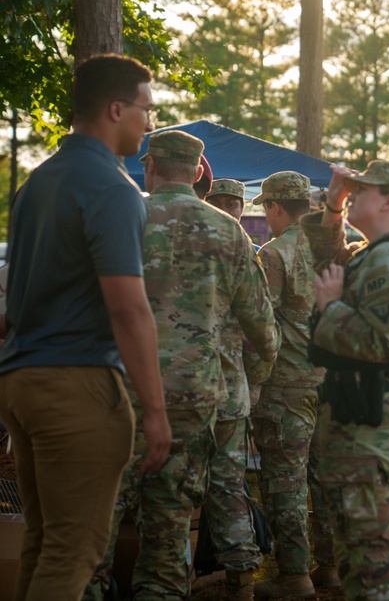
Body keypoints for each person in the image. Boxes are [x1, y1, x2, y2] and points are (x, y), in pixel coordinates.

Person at [0, 54, 171, 601]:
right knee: (74, 552)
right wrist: (157, 411)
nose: (151, 122)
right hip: (77, 386)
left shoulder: (38, 182)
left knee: (46, 543)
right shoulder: (113, 188)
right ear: (116, 108)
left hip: (23, 382)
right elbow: (127, 308)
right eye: (147, 108)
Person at [90, 130, 279, 601]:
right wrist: (248, 383)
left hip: (118, 395)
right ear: (198, 174)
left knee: (94, 529)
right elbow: (263, 331)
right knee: (169, 529)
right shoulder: (227, 229)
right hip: (194, 401)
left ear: (149, 167)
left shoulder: (118, 219)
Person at [303, 160, 389, 601]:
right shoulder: (377, 252)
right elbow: (326, 268)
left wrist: (333, 308)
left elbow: (386, 343)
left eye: (363, 189)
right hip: (363, 417)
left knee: (370, 563)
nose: (353, 192)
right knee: (383, 550)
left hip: (368, 422)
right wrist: (334, 205)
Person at [250, 171, 328, 599]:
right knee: (326, 477)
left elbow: (262, 326)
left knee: (285, 480)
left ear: (276, 207)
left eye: (266, 208)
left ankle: (295, 576)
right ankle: (332, 567)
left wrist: (252, 382)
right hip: (332, 381)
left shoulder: (274, 253)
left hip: (289, 386)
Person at [204, 177, 274, 598]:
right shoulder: (239, 247)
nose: (230, 209)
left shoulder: (146, 228)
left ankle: (238, 581)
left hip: (195, 385)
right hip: (226, 385)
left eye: (235, 203)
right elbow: (263, 330)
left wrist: (254, 381)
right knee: (222, 484)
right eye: (223, 201)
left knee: (212, 486)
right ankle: (235, 577)